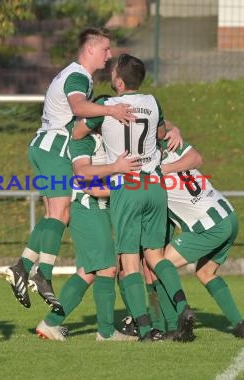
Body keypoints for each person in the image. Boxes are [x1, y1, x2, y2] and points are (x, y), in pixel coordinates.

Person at [5, 27, 135, 313]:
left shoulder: (75, 74)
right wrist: (111, 111)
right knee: (61, 213)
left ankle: (23, 267)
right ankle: (43, 275)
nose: (109, 54)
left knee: (55, 215)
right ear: (90, 49)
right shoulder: (78, 76)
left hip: (47, 146)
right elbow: (78, 105)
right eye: (105, 49)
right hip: (55, 148)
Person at [73, 53, 195, 342]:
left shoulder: (106, 105)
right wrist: (173, 129)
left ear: (117, 80)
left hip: (126, 186)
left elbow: (78, 131)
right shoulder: (153, 102)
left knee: (129, 261)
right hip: (155, 185)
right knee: (155, 256)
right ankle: (182, 306)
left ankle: (144, 328)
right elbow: (164, 132)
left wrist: (102, 115)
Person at [35, 129, 141, 341]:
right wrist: (122, 188)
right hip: (85, 206)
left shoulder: (104, 140)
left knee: (89, 270)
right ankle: (106, 332)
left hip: (96, 207)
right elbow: (85, 180)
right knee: (108, 268)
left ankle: (50, 323)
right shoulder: (83, 141)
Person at [158, 139, 244, 338]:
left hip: (209, 225)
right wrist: (173, 129)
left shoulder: (151, 168)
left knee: (160, 266)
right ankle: (239, 325)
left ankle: (176, 322)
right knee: (206, 272)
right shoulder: (175, 147)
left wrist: (82, 183)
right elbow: (195, 157)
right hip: (228, 215)